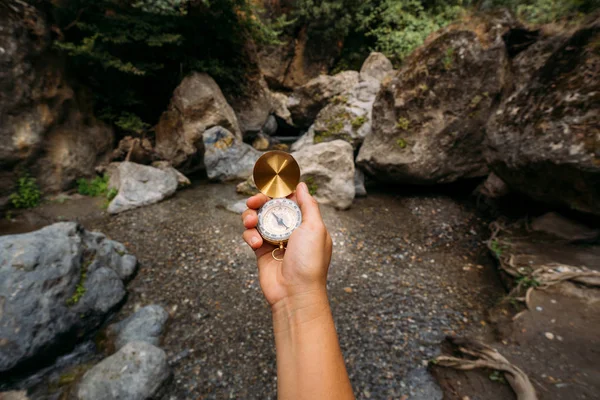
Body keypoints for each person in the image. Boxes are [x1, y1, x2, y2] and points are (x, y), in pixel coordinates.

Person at [241, 182, 355, 400]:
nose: (281, 220)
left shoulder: (285, 217)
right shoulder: (284, 215)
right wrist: (293, 297)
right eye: (277, 219)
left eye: (281, 219)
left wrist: (300, 291)